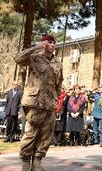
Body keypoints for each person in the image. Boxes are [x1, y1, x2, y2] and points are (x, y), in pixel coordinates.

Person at [14, 35, 63, 171]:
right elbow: (18, 59)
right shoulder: (35, 58)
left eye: (54, 42)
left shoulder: (58, 63)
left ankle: (37, 162)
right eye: (49, 42)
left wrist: (55, 99)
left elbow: (59, 84)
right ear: (43, 44)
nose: (52, 45)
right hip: (34, 103)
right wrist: (34, 48)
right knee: (30, 133)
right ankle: (25, 161)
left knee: (46, 135)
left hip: (50, 104)